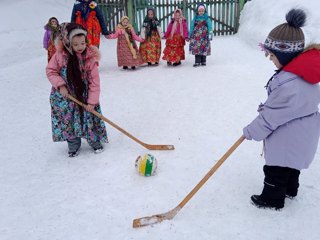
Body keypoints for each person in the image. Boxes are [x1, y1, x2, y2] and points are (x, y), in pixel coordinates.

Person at [243, 9, 320, 210]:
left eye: (271, 54)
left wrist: (251, 131)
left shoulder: (288, 85)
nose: (269, 58)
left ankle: (272, 198)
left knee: (276, 168)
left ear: (286, 54)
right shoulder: (304, 75)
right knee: (292, 165)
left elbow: (271, 117)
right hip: (304, 132)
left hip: (289, 134)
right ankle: (290, 189)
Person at [46, 23, 108, 157]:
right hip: (66, 97)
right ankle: (73, 145)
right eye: (75, 44)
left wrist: (92, 102)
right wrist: (60, 85)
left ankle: (94, 141)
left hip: (84, 96)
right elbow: (51, 71)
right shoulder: (60, 56)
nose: (80, 47)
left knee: (89, 117)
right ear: (68, 43)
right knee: (69, 121)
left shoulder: (89, 58)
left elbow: (94, 82)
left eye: (82, 43)